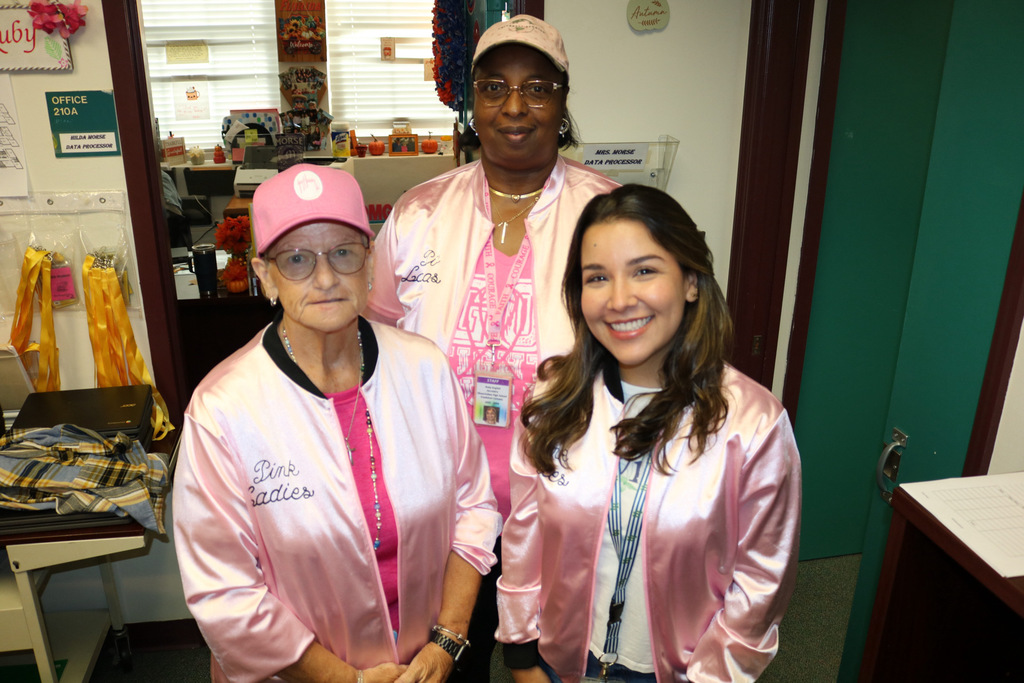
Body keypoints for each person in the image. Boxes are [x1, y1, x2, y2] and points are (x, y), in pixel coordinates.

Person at [173, 164, 502, 683]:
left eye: (343, 253)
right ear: (265, 276)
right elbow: (225, 591)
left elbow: (475, 507)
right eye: (297, 259)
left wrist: (447, 641)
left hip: (427, 666)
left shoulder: (425, 369)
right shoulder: (222, 409)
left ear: (371, 264)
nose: (325, 279)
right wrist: (342, 680)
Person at [367, 16, 619, 678]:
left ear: (563, 101)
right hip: (443, 506)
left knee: (562, 662)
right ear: (471, 102)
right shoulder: (420, 213)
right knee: (447, 658)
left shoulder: (610, 214)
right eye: (493, 87)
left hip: (566, 503)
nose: (514, 106)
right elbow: (376, 348)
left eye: (536, 86)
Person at [497, 185, 802, 682]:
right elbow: (524, 536)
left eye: (644, 270)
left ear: (691, 282)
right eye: (597, 277)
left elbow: (760, 585)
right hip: (561, 661)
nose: (619, 300)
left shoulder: (753, 424)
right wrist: (520, 654)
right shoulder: (552, 399)